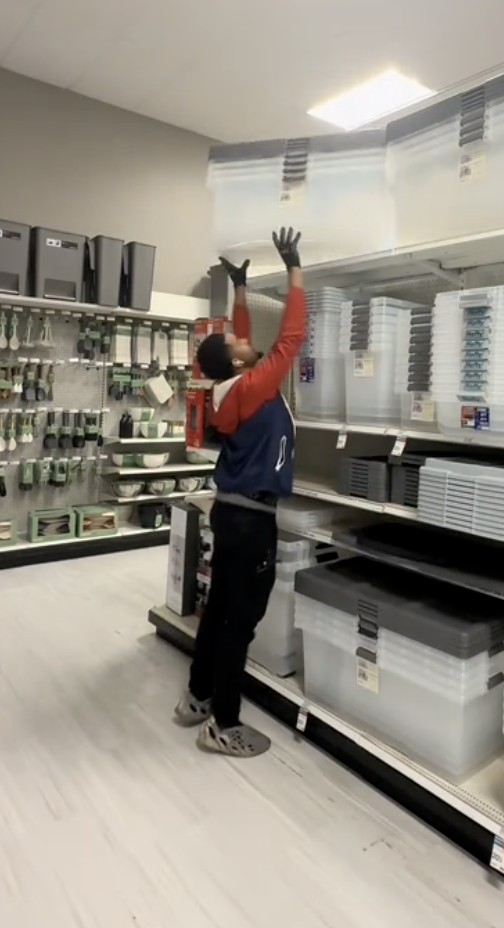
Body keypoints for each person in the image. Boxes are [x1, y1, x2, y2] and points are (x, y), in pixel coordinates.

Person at [174, 227, 305, 758]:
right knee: (239, 624)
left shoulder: (229, 387)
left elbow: (236, 339)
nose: (241, 338)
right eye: (235, 343)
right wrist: (296, 269)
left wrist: (241, 292)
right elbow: (290, 340)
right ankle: (223, 725)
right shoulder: (253, 385)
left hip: (230, 518)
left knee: (218, 611)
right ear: (234, 362)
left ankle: (197, 698)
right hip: (252, 524)